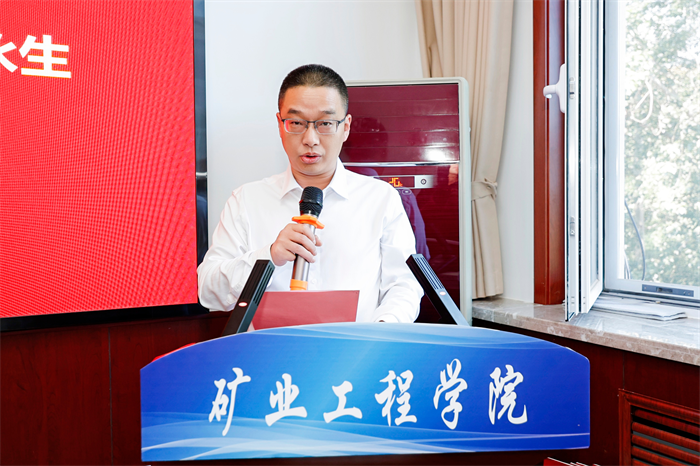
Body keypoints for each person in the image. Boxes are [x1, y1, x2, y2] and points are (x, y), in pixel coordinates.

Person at [197, 64, 422, 323]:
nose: (311, 139)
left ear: (346, 127)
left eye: (325, 123)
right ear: (280, 125)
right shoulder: (246, 200)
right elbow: (208, 291)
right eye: (296, 123)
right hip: (271, 348)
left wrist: (382, 329)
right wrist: (269, 256)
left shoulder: (380, 199)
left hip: (359, 346)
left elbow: (404, 285)